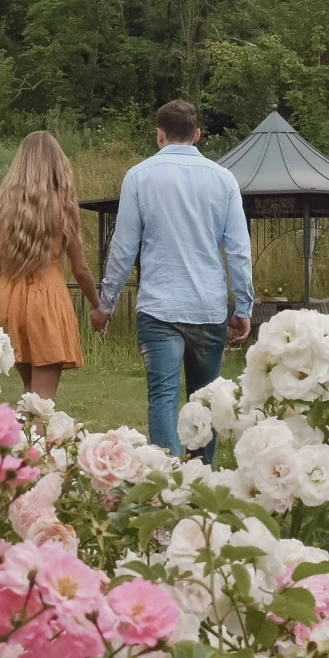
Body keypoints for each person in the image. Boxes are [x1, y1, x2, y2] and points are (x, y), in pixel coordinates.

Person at [94, 99, 254, 461]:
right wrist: (243, 306)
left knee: (163, 397)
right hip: (208, 307)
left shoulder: (139, 176)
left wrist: (106, 306)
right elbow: (239, 249)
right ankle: (200, 479)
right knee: (205, 399)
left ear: (159, 134)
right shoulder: (224, 179)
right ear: (197, 135)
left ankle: (168, 479)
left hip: (160, 308)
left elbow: (123, 248)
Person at [0, 131, 103, 402]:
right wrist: (98, 305)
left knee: (29, 392)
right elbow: (80, 268)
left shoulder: (1, 202)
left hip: (8, 297)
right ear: (56, 163)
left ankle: (22, 441)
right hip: (47, 299)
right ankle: (35, 443)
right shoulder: (63, 204)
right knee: (42, 402)